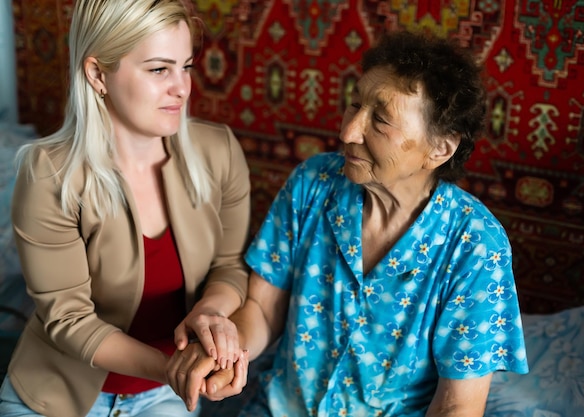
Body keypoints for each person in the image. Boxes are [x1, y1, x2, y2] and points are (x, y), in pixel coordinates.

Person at [170, 29, 530, 416]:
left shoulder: (475, 246)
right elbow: (261, 310)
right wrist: (226, 353)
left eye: (380, 120)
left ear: (439, 148)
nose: (347, 132)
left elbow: (457, 405)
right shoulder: (313, 183)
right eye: (354, 105)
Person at [0, 1, 251, 416]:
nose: (182, 87)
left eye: (185, 66)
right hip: (57, 394)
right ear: (98, 74)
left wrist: (211, 314)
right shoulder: (47, 174)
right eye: (158, 69)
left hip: (163, 397)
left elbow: (229, 267)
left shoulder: (218, 151)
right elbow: (69, 319)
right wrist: (176, 368)